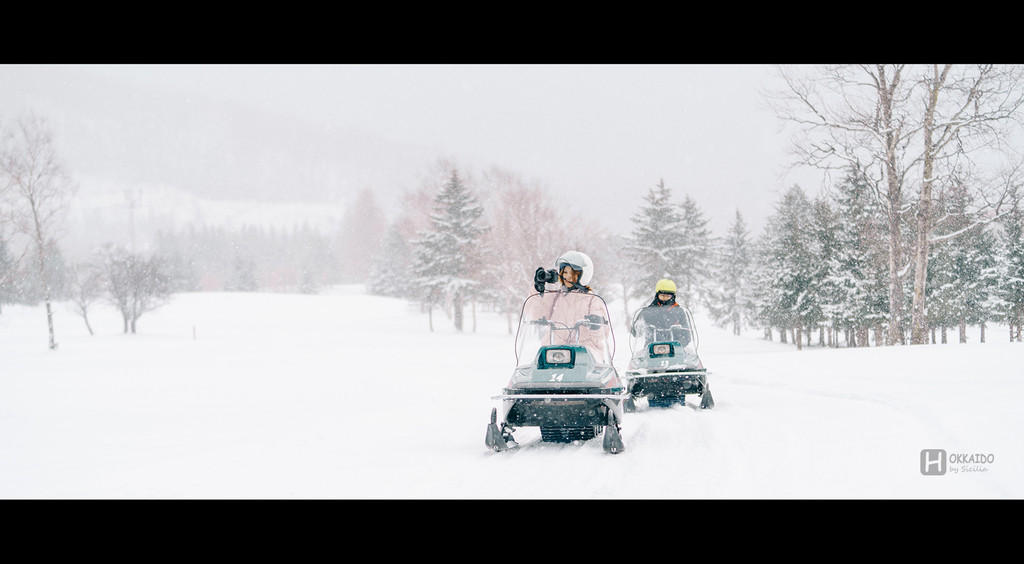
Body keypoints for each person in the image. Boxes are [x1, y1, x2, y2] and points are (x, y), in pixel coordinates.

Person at [525, 250, 611, 362]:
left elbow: (603, 332)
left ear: (582, 275)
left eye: (573, 273)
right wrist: (537, 289)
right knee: (536, 368)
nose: (568, 277)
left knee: (582, 366)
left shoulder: (593, 300)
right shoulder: (556, 296)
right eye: (565, 272)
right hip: (554, 352)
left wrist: (596, 324)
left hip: (584, 353)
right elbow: (535, 314)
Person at [631, 278, 691, 347]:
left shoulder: (679, 312)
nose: (665, 298)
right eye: (662, 296)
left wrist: (678, 345)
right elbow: (635, 333)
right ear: (657, 296)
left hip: (675, 350)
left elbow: (687, 335)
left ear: (673, 297)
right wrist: (638, 326)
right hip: (652, 350)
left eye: (668, 296)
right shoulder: (647, 312)